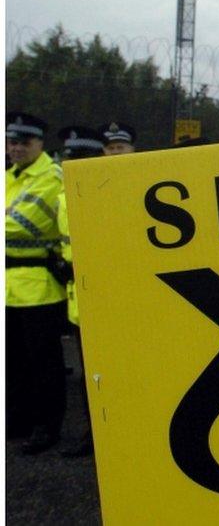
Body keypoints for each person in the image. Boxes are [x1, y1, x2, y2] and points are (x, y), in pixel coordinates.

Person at [5, 112, 68, 455]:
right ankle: (18, 421)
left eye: (23, 142)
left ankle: (47, 426)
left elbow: (21, 223)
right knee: (13, 362)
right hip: (10, 285)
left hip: (39, 286)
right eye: (11, 141)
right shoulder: (12, 176)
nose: (15, 148)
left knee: (42, 364)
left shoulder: (49, 175)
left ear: (40, 144)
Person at [54, 126, 105, 458]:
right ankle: (93, 436)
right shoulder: (62, 196)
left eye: (83, 157)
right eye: (72, 157)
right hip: (78, 302)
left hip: (108, 298)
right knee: (91, 379)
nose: (76, 163)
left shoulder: (108, 190)